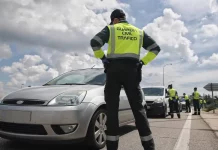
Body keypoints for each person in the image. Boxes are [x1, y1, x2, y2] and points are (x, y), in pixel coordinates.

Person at [90, 9, 161, 150]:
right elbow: (155, 48)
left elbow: (95, 42)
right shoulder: (138, 32)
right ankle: (149, 146)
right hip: (132, 71)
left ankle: (112, 147)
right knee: (138, 110)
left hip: (113, 71)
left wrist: (103, 58)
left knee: (112, 110)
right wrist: (143, 62)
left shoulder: (111, 28)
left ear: (115, 19)